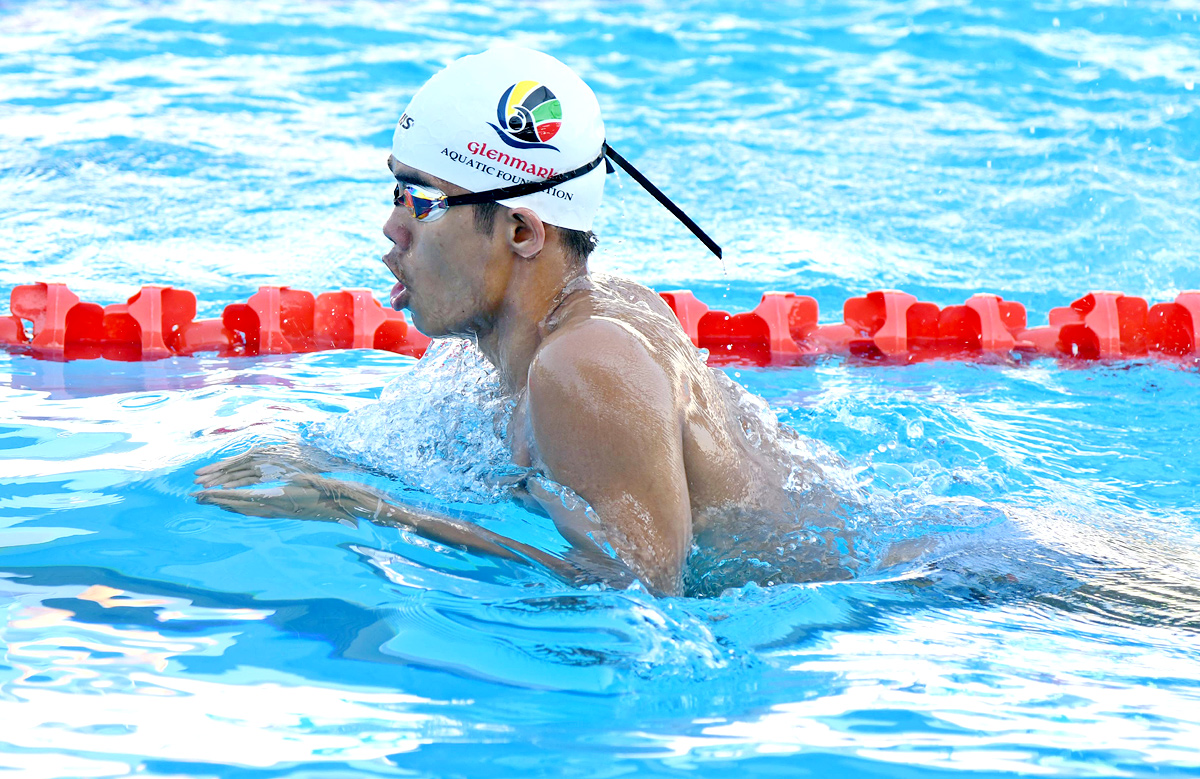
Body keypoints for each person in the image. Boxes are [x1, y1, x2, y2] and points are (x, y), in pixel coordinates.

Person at [195, 46, 865, 597]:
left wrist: (361, 506)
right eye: (395, 191)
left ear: (521, 231)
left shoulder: (587, 359)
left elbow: (640, 593)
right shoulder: (562, 328)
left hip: (894, 607)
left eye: (421, 201)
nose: (391, 226)